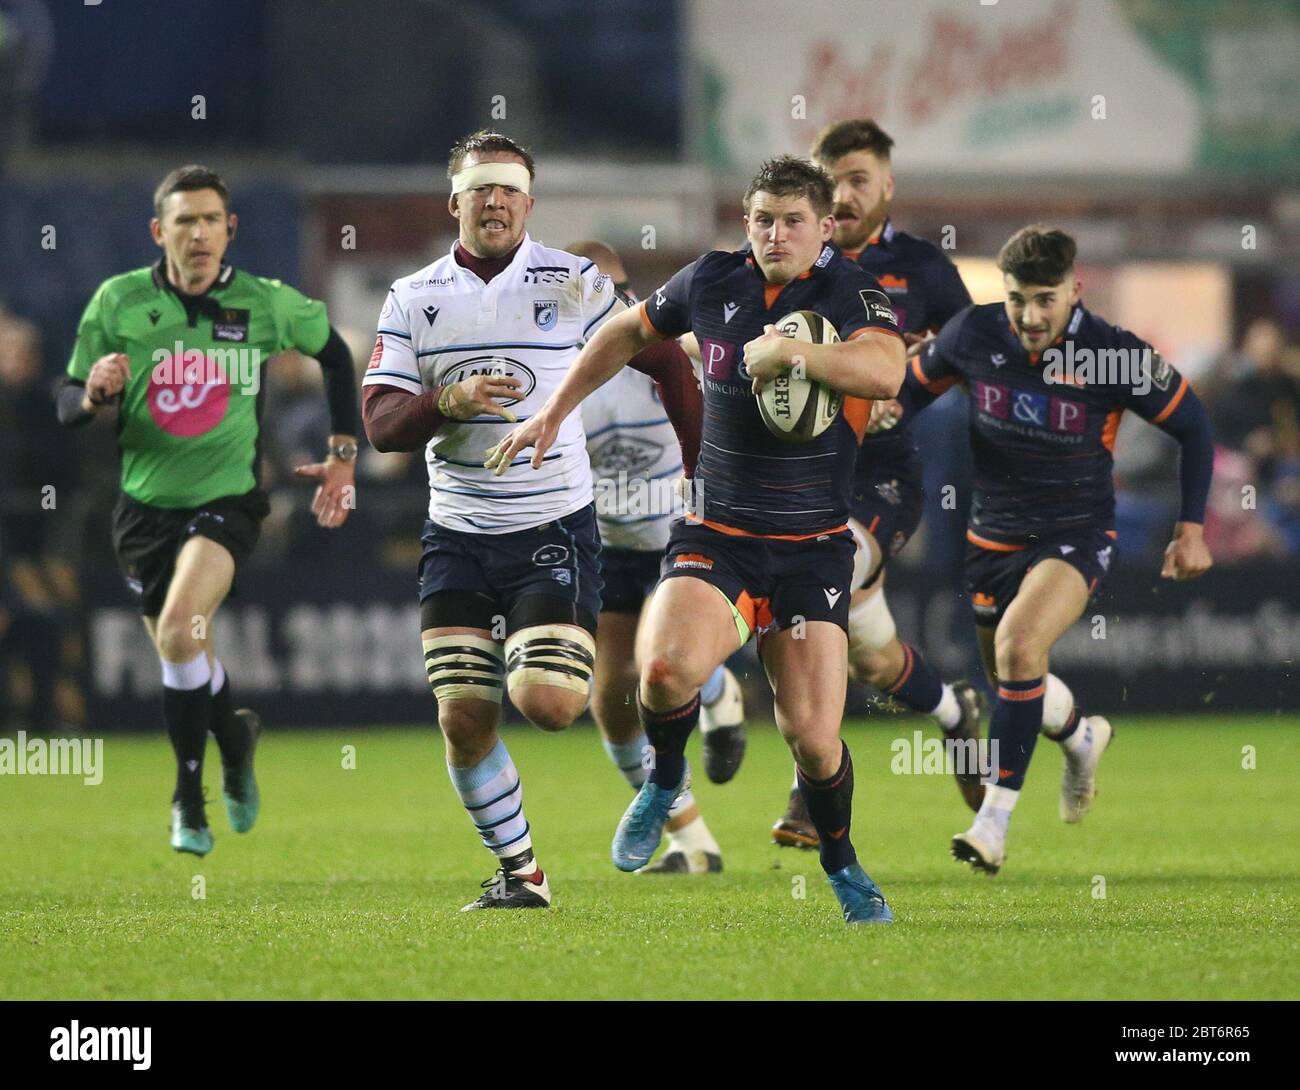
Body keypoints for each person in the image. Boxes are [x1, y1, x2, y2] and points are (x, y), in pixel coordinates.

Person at [488, 156, 906, 924]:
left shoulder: (851, 291)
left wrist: (797, 355)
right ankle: (663, 781)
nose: (775, 234)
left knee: (814, 741)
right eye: (761, 219)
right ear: (745, 223)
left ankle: (844, 865)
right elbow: (622, 332)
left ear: (822, 228)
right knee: (662, 669)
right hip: (716, 531)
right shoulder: (712, 279)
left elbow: (886, 372)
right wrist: (553, 411)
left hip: (812, 548)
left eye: (791, 221)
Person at [362, 131, 631, 911]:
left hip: (551, 524)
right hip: (456, 533)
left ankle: (657, 697)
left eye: (509, 188)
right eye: (480, 188)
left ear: (529, 203)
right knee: (463, 718)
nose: (495, 200)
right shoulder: (413, 295)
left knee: (549, 703)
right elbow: (380, 423)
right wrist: (445, 400)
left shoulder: (576, 281)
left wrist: (693, 456)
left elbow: (658, 355)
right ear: (456, 203)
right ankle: (524, 875)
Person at [56, 164, 359, 856]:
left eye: (211, 220)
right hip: (142, 512)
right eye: (184, 221)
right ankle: (235, 737)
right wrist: (92, 395)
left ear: (231, 230)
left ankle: (187, 799)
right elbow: (66, 403)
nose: (199, 233)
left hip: (227, 504)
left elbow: (336, 356)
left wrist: (343, 451)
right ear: (160, 231)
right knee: (183, 646)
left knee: (177, 630)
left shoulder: (262, 302)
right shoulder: (119, 302)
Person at [895, 225, 1214, 873]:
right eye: (1018, 299)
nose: (1031, 315)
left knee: (1018, 649)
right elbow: (903, 397)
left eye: (1046, 298)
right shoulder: (971, 334)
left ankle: (992, 824)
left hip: (1076, 533)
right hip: (991, 536)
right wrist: (875, 409)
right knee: (1014, 675)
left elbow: (1193, 426)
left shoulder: (1113, 355)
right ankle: (1082, 736)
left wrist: (1192, 528)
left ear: (1076, 287)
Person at [766, 118, 984, 849]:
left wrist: (911, 382)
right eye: (836, 181)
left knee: (820, 579)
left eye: (861, 178)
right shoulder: (795, 267)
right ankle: (954, 711)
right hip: (799, 477)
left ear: (887, 185)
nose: (848, 193)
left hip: (881, 479)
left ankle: (808, 787)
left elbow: (979, 348)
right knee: (873, 656)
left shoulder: (920, 269)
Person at [569, 239, 742, 875]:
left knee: (658, 665)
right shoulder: (558, 367)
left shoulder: (667, 349)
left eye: (611, 290)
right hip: (611, 546)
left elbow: (726, 365)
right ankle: (692, 843)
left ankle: (720, 691)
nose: (600, 305)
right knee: (611, 701)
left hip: (680, 535)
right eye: (581, 291)